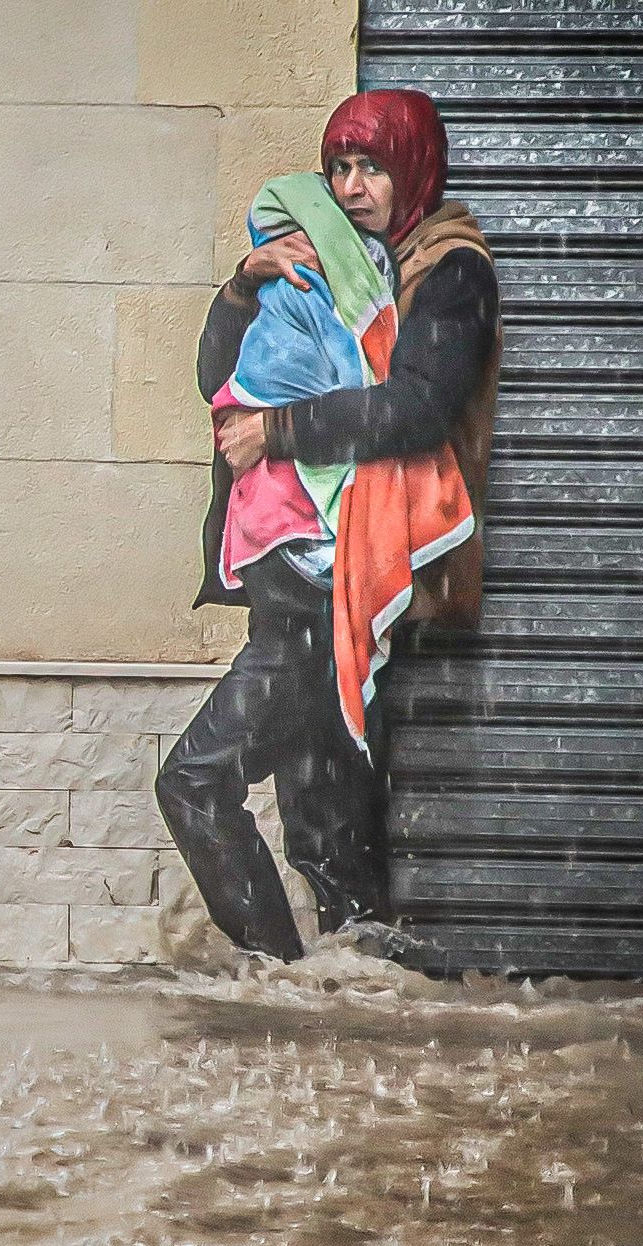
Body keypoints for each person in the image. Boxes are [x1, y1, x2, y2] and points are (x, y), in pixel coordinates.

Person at [156, 89, 502, 963]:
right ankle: (359, 1026)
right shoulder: (338, 263)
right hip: (306, 591)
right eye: (339, 168)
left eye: (372, 167)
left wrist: (277, 429)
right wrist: (247, 281)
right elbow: (213, 374)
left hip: (336, 589)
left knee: (195, 782)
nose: (351, 188)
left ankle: (271, 980)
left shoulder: (448, 271)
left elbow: (419, 406)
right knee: (329, 846)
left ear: (414, 169)